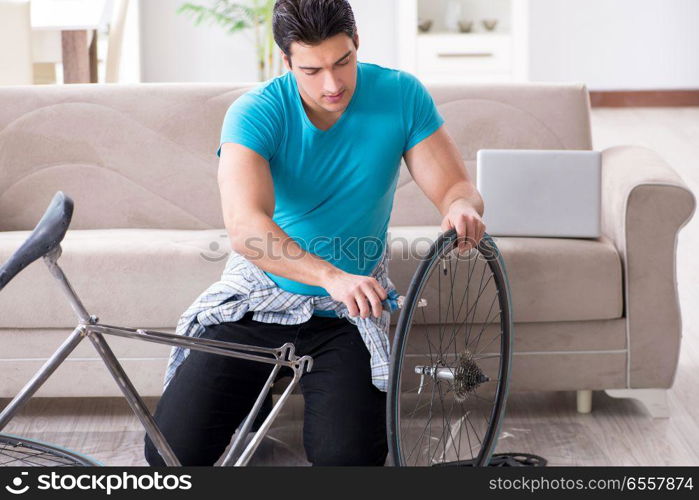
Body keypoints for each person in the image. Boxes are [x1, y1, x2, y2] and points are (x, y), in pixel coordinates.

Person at [144, 0, 485, 467]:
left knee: (349, 460)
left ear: (357, 43)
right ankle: (252, 403)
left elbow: (453, 186)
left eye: (343, 62)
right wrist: (329, 275)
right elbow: (247, 227)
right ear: (285, 62)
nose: (332, 84)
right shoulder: (256, 112)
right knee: (168, 455)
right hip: (260, 296)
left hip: (347, 310)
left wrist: (461, 206)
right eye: (311, 70)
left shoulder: (401, 95)